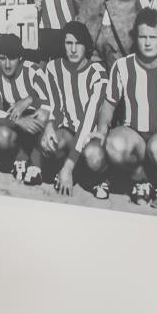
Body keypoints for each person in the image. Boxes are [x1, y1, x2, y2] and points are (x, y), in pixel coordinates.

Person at [92, 9, 157, 206]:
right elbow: (109, 104)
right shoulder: (123, 66)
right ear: (135, 38)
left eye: (153, 37)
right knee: (115, 144)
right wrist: (101, 132)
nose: (147, 43)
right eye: (142, 37)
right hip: (134, 135)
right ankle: (141, 179)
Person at [39, 22, 110, 198]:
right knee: (47, 144)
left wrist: (67, 167)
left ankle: (99, 177)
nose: (73, 49)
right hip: (68, 131)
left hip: (89, 136)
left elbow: (89, 120)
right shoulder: (53, 68)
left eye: (78, 43)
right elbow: (54, 106)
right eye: (68, 43)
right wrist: (49, 127)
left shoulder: (97, 72)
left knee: (94, 157)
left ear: (86, 45)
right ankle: (71, 168)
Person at [0, 33, 47, 183]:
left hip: (32, 128)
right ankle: (8, 156)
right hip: (11, 123)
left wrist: (28, 100)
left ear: (20, 57)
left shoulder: (33, 71)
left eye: (12, 58)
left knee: (43, 114)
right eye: (2, 58)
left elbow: (49, 100)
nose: (7, 65)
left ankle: (35, 162)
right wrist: (20, 121)